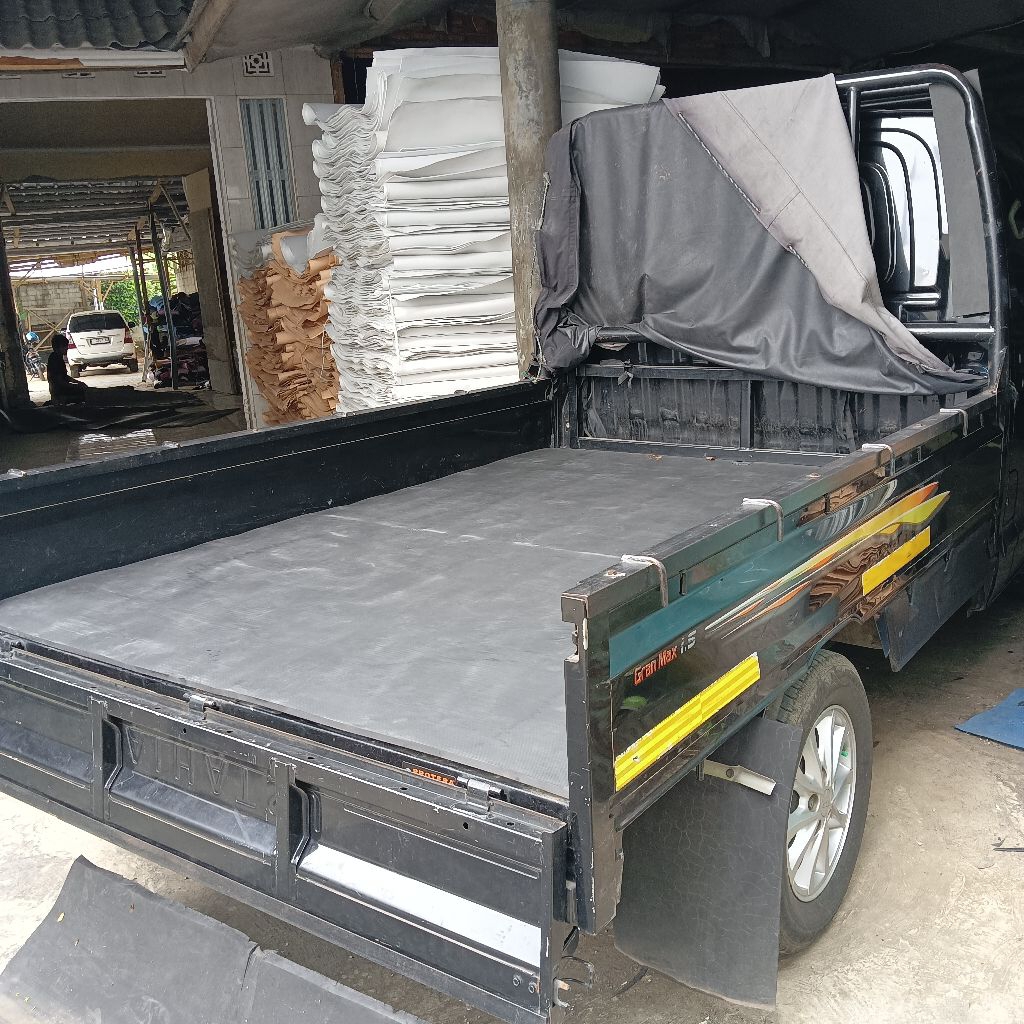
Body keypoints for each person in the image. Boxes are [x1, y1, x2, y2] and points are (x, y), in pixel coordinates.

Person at [47, 333, 89, 403]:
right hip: (59, 392)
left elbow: (64, 377)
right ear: (59, 347)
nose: (67, 348)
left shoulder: (57, 357)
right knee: (85, 393)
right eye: (65, 346)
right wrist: (76, 386)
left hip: (61, 389)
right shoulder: (55, 360)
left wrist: (77, 382)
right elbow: (60, 381)